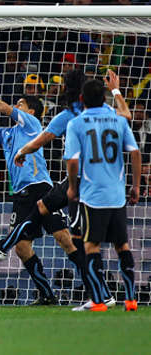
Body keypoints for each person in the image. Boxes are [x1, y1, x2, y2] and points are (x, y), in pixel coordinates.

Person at [0, 69, 131, 310]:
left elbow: (42, 140)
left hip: (77, 180)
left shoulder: (65, 115)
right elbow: (127, 115)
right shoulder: (105, 112)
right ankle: (96, 294)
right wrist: (115, 89)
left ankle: (101, 294)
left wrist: (22, 152)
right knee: (65, 231)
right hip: (106, 180)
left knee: (72, 238)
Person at [0, 80, 69, 306]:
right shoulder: (7, 134)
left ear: (31, 111)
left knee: (63, 237)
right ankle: (47, 295)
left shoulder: (32, 124)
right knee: (23, 248)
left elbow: (5, 109)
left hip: (40, 187)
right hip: (20, 194)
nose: (17, 105)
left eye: (21, 104)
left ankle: (96, 289)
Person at [64, 78, 141, 312]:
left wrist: (72, 187)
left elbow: (73, 160)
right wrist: (135, 186)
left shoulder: (76, 124)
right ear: (105, 98)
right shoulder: (118, 120)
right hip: (117, 195)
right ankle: (131, 300)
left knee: (91, 247)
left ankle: (98, 301)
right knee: (122, 246)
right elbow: (135, 153)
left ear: (81, 99)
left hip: (92, 195)